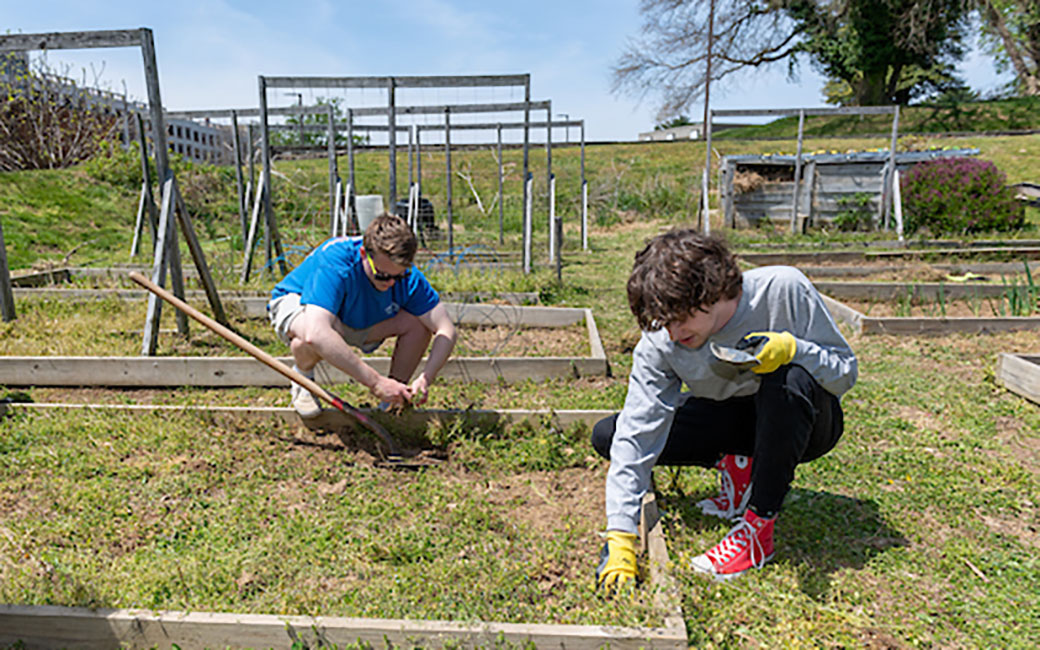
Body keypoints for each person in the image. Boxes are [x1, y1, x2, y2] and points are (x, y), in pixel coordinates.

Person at [594, 229, 857, 589]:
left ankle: (757, 530)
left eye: (680, 318)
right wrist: (621, 534)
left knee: (789, 378)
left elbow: (845, 374)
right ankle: (738, 463)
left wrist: (795, 349)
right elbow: (639, 429)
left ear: (713, 291)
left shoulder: (783, 289)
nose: (672, 333)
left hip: (803, 419)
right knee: (610, 434)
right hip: (731, 416)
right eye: (662, 321)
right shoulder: (661, 339)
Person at [267, 212, 457, 417]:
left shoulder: (409, 277)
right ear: (364, 254)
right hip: (301, 305)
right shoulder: (335, 261)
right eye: (383, 275)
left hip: (352, 316)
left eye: (398, 276)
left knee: (418, 324)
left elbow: (446, 329)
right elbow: (316, 332)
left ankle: (393, 398)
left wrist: (425, 378)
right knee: (307, 339)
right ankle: (303, 380)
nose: (390, 283)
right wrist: (375, 382)